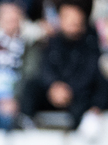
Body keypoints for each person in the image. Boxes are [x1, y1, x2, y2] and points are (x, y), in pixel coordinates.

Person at [20, 2, 106, 130]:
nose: (72, 21)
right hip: (52, 94)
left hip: (77, 95)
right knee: (31, 87)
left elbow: (89, 74)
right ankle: (25, 124)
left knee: (92, 96)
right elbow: (44, 68)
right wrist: (53, 86)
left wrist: (68, 90)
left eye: (75, 17)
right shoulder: (52, 42)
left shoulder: (90, 44)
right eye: (67, 16)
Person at [0, 1, 42, 130]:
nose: (10, 23)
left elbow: (29, 75)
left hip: (13, 95)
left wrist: (15, 98)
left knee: (5, 117)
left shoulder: (29, 46)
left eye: (13, 19)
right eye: (6, 19)